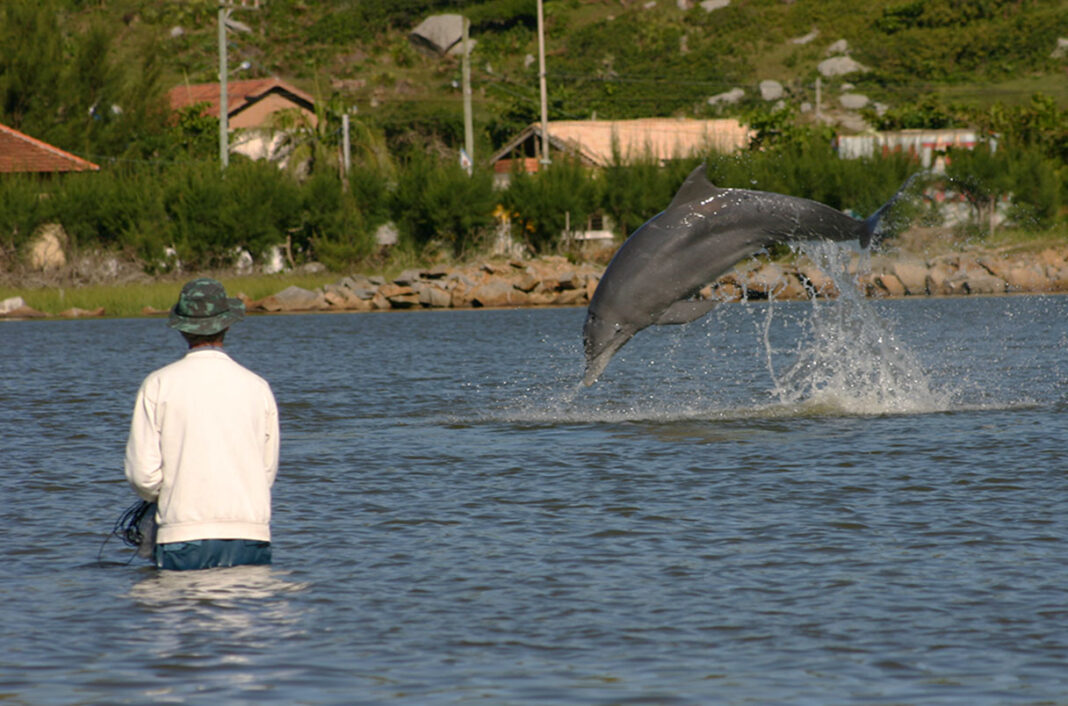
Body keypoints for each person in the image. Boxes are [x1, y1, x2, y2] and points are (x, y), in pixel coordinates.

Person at [124, 278, 279, 571]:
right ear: (227, 325)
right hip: (251, 535)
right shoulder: (258, 387)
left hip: (182, 537)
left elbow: (143, 476)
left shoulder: (158, 384)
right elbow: (266, 472)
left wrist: (175, 492)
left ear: (182, 329)